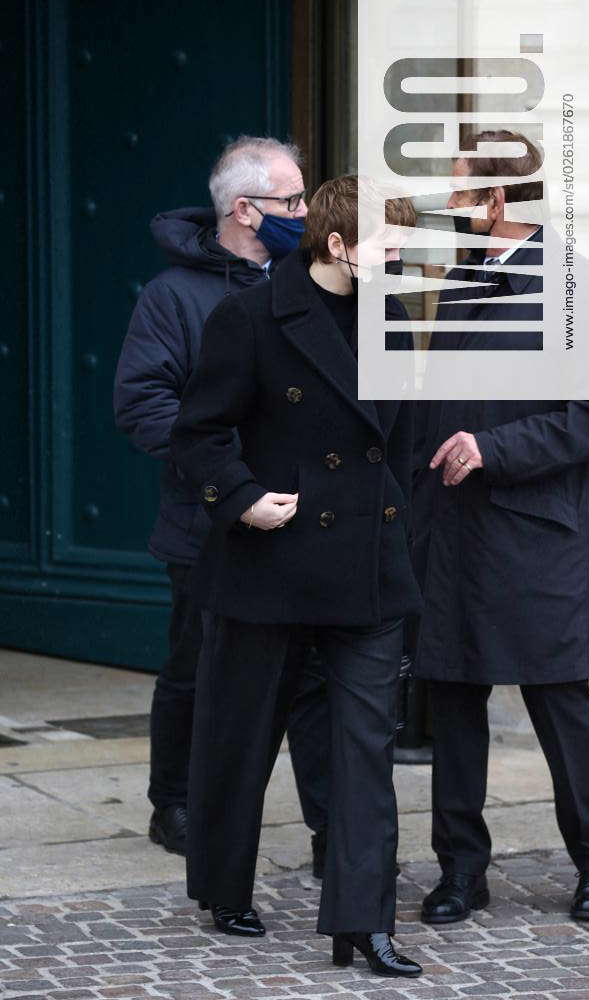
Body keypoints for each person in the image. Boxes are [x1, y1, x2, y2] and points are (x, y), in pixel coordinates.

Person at [170, 175, 424, 978]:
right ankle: (222, 887)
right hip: (269, 563)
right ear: (338, 244)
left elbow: (401, 438)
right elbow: (198, 434)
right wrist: (242, 501)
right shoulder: (248, 316)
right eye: (390, 244)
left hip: (368, 572)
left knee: (364, 751)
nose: (402, 260)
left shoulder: (388, 314)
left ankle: (364, 922)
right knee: (239, 739)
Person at [413, 130, 589, 926]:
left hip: (537, 537)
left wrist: (491, 449)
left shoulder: (579, 287)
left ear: (498, 201)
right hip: (454, 533)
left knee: (558, 703)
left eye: (461, 190)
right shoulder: (464, 282)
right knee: (455, 703)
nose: (449, 205)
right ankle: (459, 873)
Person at [114, 136, 329, 868]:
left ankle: (332, 827)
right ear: (245, 209)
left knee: (312, 677)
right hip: (206, 520)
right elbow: (143, 405)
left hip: (304, 516)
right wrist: (230, 484)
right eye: (292, 201)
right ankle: (173, 803)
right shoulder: (172, 296)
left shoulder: (316, 280)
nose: (305, 212)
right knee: (197, 668)